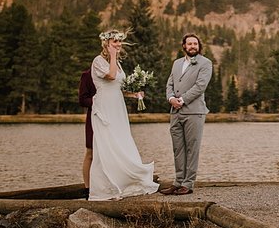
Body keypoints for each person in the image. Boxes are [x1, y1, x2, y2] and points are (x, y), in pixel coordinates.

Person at [88, 29, 159, 201]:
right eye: (115, 42)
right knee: (107, 145)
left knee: (122, 141)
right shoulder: (98, 61)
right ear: (106, 43)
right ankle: (107, 188)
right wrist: (112, 56)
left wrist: (133, 95)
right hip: (104, 107)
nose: (118, 45)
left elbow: (118, 87)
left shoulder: (117, 62)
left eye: (119, 42)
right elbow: (111, 77)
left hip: (118, 107)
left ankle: (126, 182)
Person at [161, 33, 213, 196]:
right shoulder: (176, 63)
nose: (192, 47)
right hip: (175, 112)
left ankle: (188, 184)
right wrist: (171, 98)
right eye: (189, 44)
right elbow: (170, 83)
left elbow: (200, 86)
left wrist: (182, 100)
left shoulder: (205, 63)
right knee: (178, 148)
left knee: (192, 148)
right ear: (183, 46)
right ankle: (178, 182)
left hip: (194, 111)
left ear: (199, 47)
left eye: (195, 44)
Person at [78, 68, 96, 197]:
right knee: (90, 151)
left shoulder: (116, 72)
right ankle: (87, 189)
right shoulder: (87, 75)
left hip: (112, 116)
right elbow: (82, 100)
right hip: (94, 117)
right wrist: (97, 101)